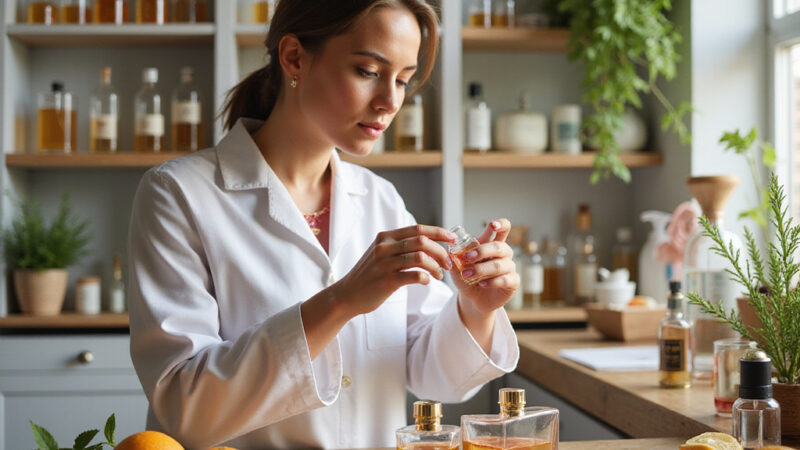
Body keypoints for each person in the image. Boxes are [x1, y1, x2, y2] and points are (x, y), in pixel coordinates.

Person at [128, 0, 520, 448]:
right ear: (294, 57)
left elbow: (436, 377)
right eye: (368, 71)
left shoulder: (379, 199)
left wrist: (476, 308)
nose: (390, 101)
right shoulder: (178, 195)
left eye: (404, 80)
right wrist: (339, 302)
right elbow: (184, 407)